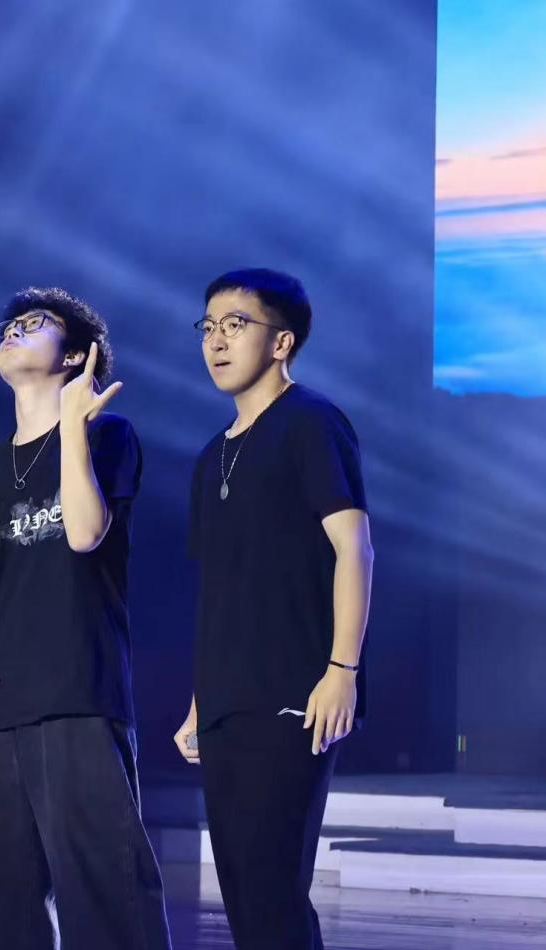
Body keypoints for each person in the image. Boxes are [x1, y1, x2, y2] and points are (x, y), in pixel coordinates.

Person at [0, 287, 172, 949]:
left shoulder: (107, 436)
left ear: (76, 355)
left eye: (34, 323)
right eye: (8, 325)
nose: (12, 331)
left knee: (104, 890)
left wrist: (72, 427)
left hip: (76, 691)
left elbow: (83, 532)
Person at [173, 268, 374, 949]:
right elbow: (218, 590)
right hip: (226, 701)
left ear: (281, 341)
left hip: (295, 693)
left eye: (235, 325)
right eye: (207, 327)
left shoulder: (311, 422)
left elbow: (354, 548)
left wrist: (341, 668)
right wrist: (199, 703)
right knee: (239, 890)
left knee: (271, 887)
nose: (216, 341)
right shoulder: (211, 455)